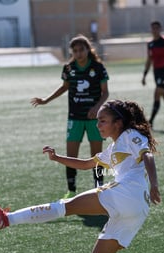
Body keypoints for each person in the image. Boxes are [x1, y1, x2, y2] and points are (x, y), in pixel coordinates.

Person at [0, 99, 161, 253]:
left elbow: (147, 155)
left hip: (127, 193)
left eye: (103, 120)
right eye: (97, 120)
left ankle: (6, 219)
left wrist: (154, 184)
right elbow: (86, 164)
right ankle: (5, 219)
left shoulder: (129, 134)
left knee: (65, 206)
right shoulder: (113, 148)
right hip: (138, 208)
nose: (98, 124)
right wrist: (57, 158)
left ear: (118, 123)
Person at [30, 35, 109, 198]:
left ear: (88, 49)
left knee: (97, 157)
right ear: (71, 52)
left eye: (82, 50)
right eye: (75, 50)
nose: (79, 53)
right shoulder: (68, 68)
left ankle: (99, 189)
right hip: (75, 118)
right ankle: (71, 190)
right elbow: (64, 87)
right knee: (71, 155)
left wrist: (97, 107)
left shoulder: (98, 67)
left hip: (94, 119)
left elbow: (105, 92)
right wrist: (46, 100)